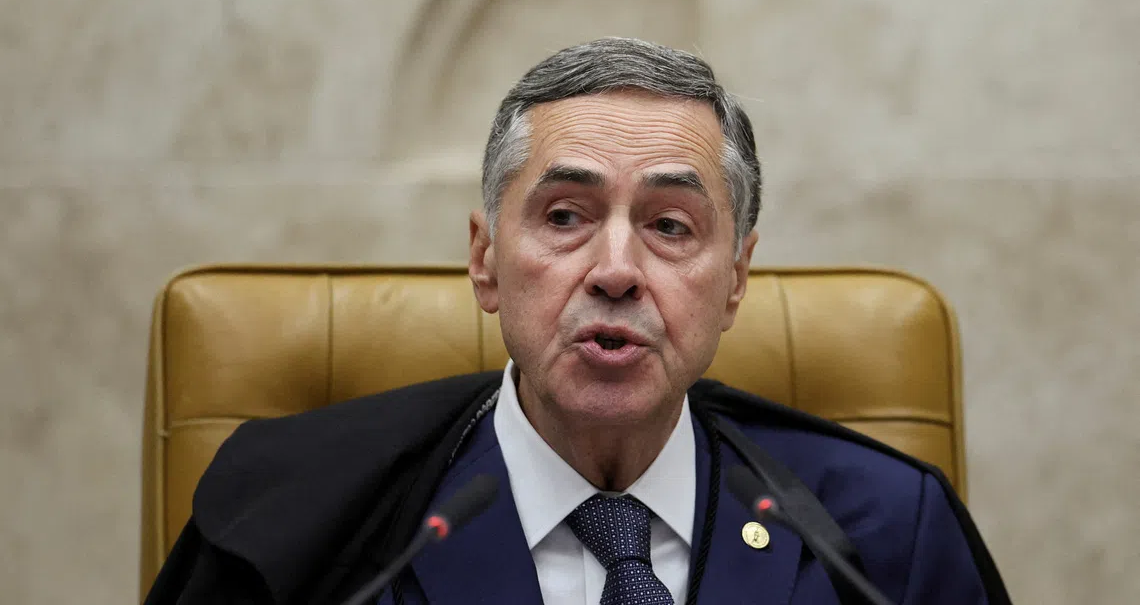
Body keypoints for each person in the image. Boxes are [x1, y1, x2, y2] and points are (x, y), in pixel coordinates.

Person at [144, 38, 1011, 605]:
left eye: (671, 226)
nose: (616, 270)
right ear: (485, 260)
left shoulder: (890, 538)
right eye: (564, 217)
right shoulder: (303, 529)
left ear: (737, 280)